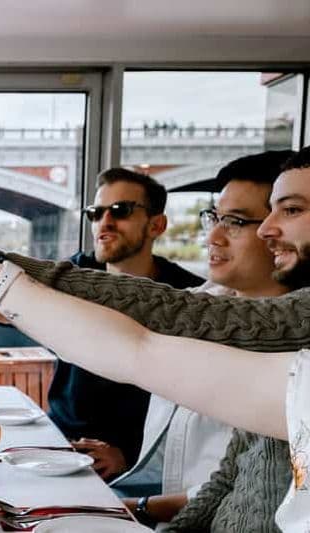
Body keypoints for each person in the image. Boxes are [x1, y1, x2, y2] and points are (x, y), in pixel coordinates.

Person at [0, 147, 310, 531]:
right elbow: (225, 480)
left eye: (291, 210)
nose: (269, 230)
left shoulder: (285, 322)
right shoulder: (219, 302)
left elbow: (141, 346)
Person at [111, 151, 295, 531]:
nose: (212, 236)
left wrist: (137, 507)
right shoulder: (206, 301)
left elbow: (234, 488)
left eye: (236, 222)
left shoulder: (290, 352)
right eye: (214, 217)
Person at [51, 168, 202, 481]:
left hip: (131, 468)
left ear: (156, 225)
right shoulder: (76, 274)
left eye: (120, 211)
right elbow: (16, 290)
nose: (104, 222)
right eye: (95, 213)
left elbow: (194, 404)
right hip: (56, 443)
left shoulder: (187, 296)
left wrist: (130, 454)